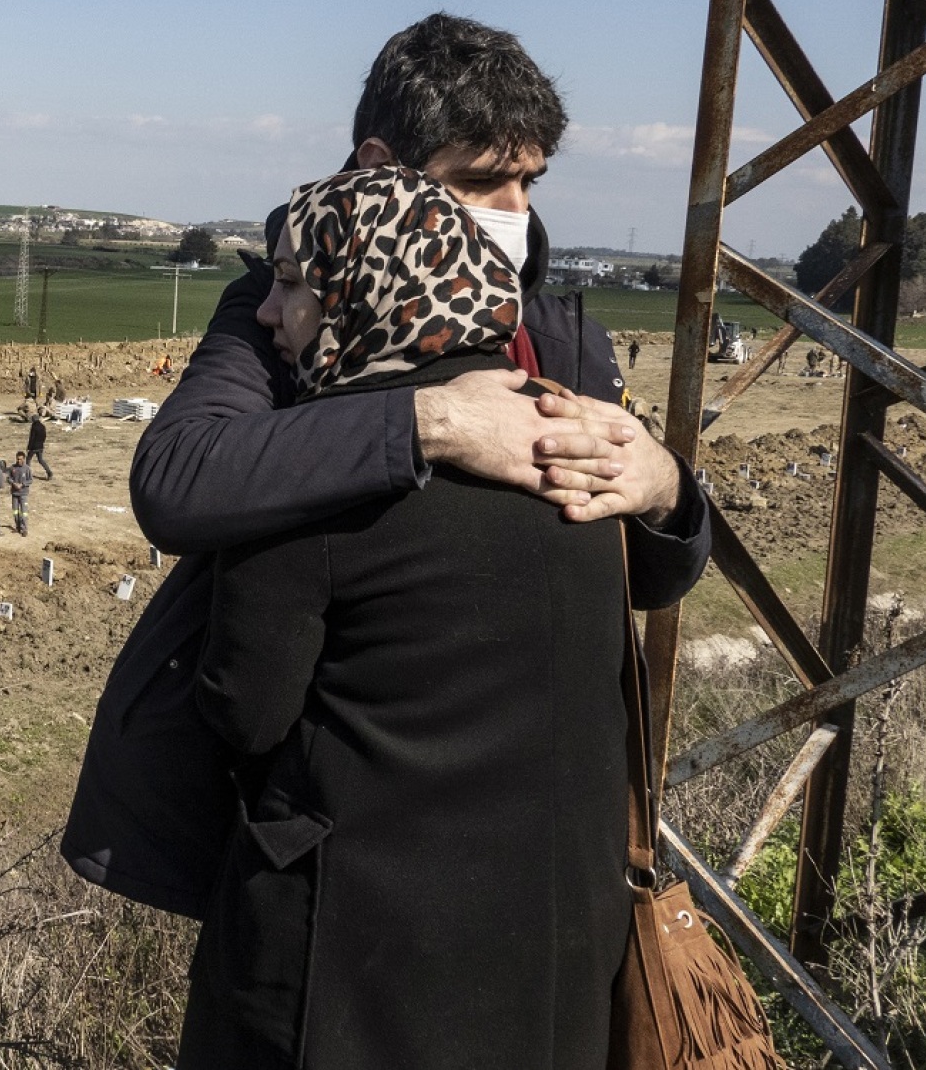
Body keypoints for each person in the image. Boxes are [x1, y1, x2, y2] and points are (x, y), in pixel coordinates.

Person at [62, 13, 711, 950]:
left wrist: (661, 488)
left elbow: (646, 576)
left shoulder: (562, 334)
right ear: (379, 169)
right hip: (346, 844)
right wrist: (429, 421)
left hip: (537, 857)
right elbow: (177, 477)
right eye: (484, 181)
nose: (514, 209)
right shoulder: (288, 308)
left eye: (528, 181)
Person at [177, 168, 636, 1067]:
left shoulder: (319, 481)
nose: (269, 313)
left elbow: (243, 709)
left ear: (361, 290)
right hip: (552, 956)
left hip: (355, 969)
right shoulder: (578, 455)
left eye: (293, 283)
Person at [8, 451, 33, 537]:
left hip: (23, 493)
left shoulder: (27, 469)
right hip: (14, 493)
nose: (19, 461)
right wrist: (14, 483)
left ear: (24, 459)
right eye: (18, 459)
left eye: (21, 459)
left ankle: (24, 529)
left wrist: (22, 484)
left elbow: (30, 480)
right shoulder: (12, 468)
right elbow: (9, 478)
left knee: (24, 512)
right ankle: (18, 527)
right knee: (15, 511)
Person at [26, 414, 54, 480]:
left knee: (28, 459)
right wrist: (42, 443)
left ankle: (27, 474)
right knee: (41, 460)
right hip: (40, 446)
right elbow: (44, 436)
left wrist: (29, 447)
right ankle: (49, 472)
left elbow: (32, 438)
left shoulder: (34, 426)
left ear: (33, 420)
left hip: (34, 447)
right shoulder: (42, 426)